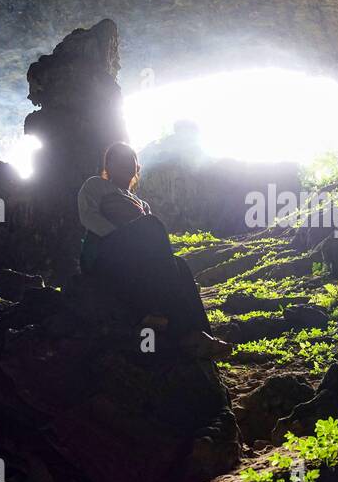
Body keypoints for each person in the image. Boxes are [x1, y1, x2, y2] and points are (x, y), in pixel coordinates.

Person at [78, 142, 230, 360]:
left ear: (136, 168)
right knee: (152, 225)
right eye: (119, 160)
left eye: (130, 160)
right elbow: (88, 217)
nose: (125, 164)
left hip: (134, 260)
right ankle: (169, 319)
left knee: (181, 265)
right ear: (108, 166)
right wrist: (122, 239)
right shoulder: (95, 186)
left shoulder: (141, 203)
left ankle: (200, 334)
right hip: (103, 253)